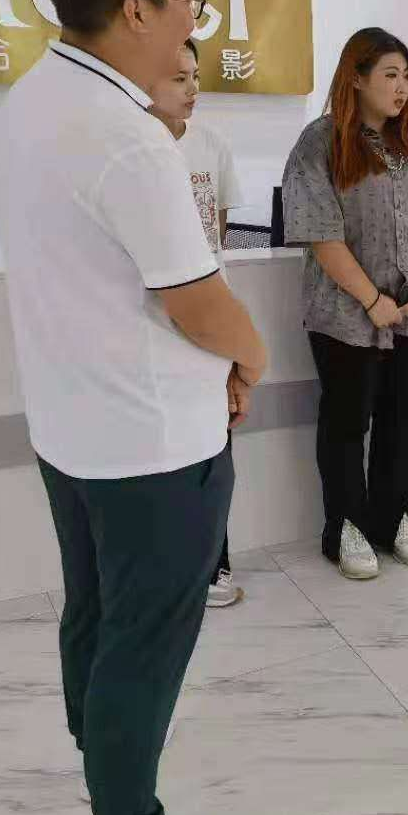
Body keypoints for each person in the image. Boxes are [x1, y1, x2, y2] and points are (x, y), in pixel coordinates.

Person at [0, 0, 264, 815]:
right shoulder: (127, 136)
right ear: (138, 10)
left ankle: (102, 765)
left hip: (72, 427)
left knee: (98, 617)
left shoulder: (33, 99)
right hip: (152, 442)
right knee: (144, 640)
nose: (195, 16)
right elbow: (196, 299)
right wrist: (254, 357)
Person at [282, 28, 408, 580]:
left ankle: (393, 516)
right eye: (390, 75)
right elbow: (320, 232)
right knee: (346, 423)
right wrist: (371, 298)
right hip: (345, 318)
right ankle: (346, 527)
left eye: (407, 77)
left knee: (402, 422)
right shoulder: (321, 142)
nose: (402, 87)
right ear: (356, 78)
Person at [149, 38, 248, 608]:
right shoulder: (131, 150)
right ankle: (168, 571)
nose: (191, 89)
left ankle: (215, 565)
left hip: (210, 322)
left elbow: (218, 239)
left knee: (214, 448)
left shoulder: (212, 146)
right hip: (152, 327)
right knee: (162, 452)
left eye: (195, 76)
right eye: (178, 78)